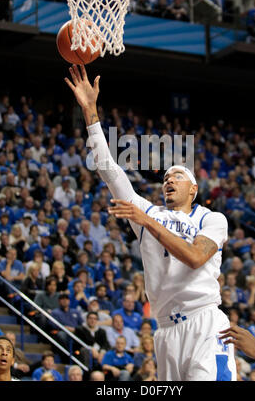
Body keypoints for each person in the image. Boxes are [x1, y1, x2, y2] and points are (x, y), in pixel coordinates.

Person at [65, 64, 236, 381]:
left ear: (193, 189)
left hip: (205, 322)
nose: (169, 179)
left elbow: (196, 257)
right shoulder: (150, 214)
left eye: (178, 176)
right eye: (166, 177)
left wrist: (146, 221)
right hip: (166, 332)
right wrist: (90, 110)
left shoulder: (211, 219)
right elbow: (107, 167)